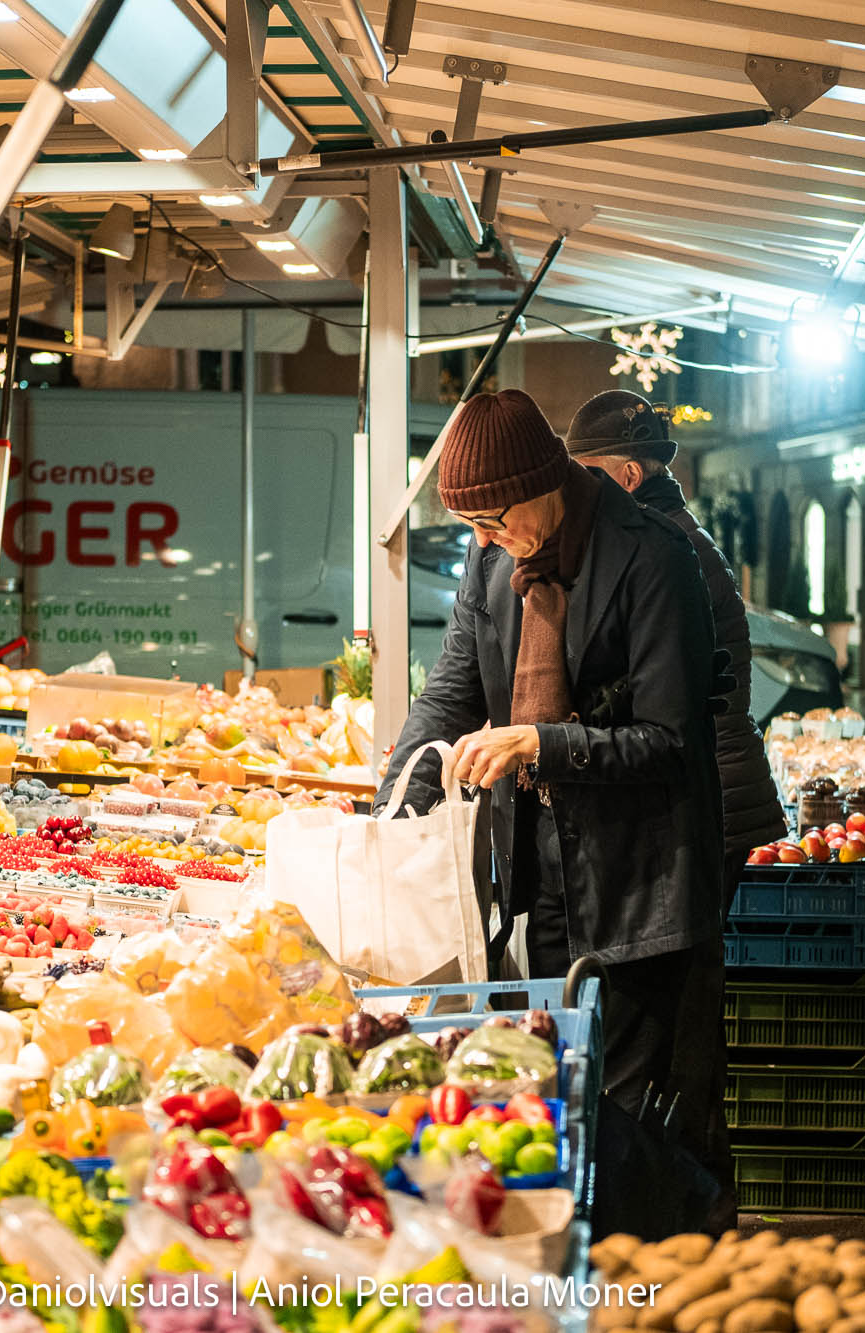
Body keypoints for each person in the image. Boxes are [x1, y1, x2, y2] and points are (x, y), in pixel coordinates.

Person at [377, 389, 727, 1229]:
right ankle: (588, 1282)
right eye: (471, 525)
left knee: (645, 1126)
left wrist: (542, 743)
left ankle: (675, 1289)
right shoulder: (494, 561)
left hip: (646, 886)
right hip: (539, 881)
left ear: (545, 482)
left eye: (493, 518)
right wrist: (393, 806)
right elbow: (452, 692)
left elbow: (674, 741)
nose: (483, 540)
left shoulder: (653, 558)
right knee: (565, 1106)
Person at [561, 388, 783, 1228]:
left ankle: (686, 1206)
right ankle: (686, 1199)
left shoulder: (661, 550)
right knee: (674, 1026)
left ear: (622, 473)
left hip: (705, 809)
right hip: (715, 800)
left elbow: (668, 714)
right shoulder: (668, 539)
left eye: (584, 476)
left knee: (675, 1029)